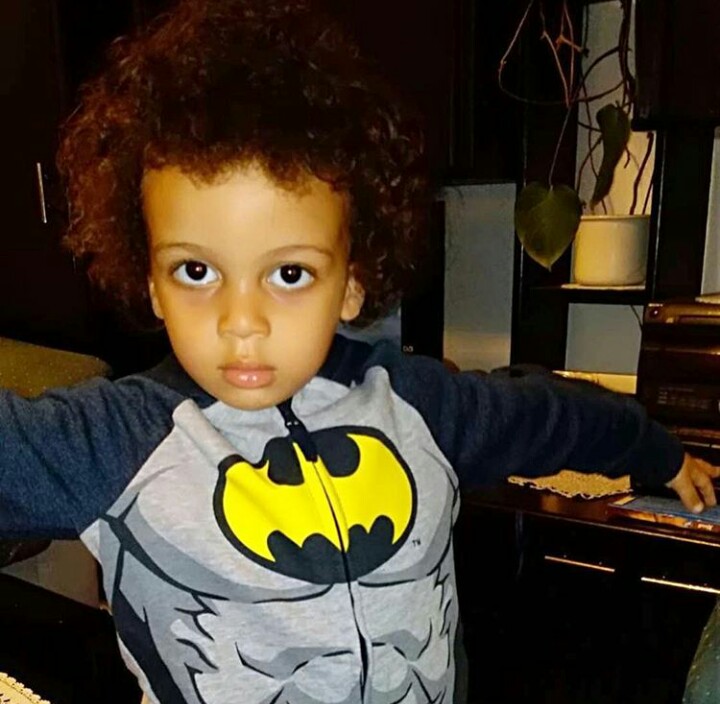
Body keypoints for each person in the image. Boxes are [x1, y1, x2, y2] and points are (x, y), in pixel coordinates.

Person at [1, 0, 718, 702]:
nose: (240, 322)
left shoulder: (418, 404)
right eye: (196, 270)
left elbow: (548, 416)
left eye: (289, 274)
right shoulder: (106, 443)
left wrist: (656, 451)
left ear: (350, 286)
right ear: (151, 283)